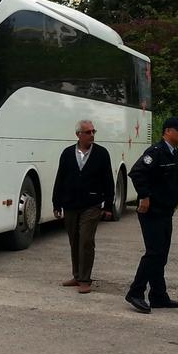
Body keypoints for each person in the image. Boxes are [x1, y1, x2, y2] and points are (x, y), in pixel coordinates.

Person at [124, 116, 178, 314]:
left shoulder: (174, 153)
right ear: (168, 131)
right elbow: (137, 173)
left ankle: (158, 295)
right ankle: (135, 292)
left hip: (166, 211)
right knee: (154, 252)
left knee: (161, 254)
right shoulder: (155, 152)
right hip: (152, 212)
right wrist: (144, 196)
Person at [52, 119, 115, 293]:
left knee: (86, 240)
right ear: (78, 134)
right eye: (88, 132)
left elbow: (108, 180)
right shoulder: (67, 153)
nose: (92, 135)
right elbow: (60, 178)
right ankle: (77, 275)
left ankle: (85, 279)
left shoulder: (101, 154)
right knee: (74, 240)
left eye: (93, 131)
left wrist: (108, 206)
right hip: (70, 204)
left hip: (92, 204)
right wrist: (56, 203)